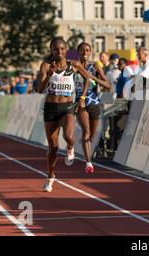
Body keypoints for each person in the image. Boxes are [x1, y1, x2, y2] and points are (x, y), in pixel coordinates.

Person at [37, 37, 95, 193]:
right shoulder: (46, 65)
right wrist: (49, 75)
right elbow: (38, 89)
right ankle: (50, 176)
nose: (60, 52)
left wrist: (82, 97)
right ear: (52, 51)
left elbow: (87, 79)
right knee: (53, 148)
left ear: (66, 50)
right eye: (56, 49)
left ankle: (70, 147)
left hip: (67, 107)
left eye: (62, 49)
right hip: (50, 108)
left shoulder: (73, 65)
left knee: (69, 136)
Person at [75, 42, 111, 174]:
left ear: (90, 52)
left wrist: (93, 77)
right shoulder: (75, 67)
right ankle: (89, 162)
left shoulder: (95, 66)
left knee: (91, 135)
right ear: (78, 52)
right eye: (82, 50)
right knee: (86, 131)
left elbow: (108, 85)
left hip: (94, 103)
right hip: (80, 104)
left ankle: (87, 149)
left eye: (87, 50)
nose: (85, 52)